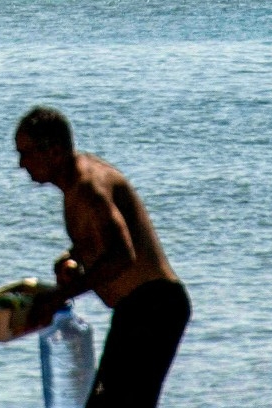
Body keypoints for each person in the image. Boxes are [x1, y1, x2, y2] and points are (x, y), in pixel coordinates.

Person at [15, 106, 189, 408]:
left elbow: (123, 256)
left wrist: (58, 297)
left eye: (27, 153)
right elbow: (105, 239)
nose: (21, 164)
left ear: (54, 151)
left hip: (152, 307)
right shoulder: (80, 179)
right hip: (144, 308)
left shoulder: (88, 189)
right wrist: (73, 257)